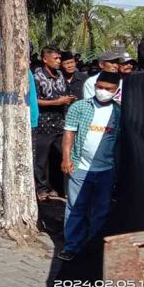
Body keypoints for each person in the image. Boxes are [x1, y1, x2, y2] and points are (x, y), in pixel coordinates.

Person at [58, 72, 122, 261]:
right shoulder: (79, 107)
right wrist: (66, 158)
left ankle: (93, 248)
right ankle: (71, 246)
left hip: (106, 170)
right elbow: (69, 134)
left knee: (100, 211)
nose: (103, 91)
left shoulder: (119, 113)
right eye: (99, 87)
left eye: (108, 89)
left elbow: (120, 142)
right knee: (75, 208)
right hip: (79, 167)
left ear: (116, 91)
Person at [33, 46, 74, 201]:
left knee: (63, 156)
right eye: (56, 58)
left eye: (59, 58)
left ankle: (59, 188)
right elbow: (35, 101)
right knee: (41, 160)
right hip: (43, 124)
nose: (59, 61)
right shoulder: (37, 76)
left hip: (61, 123)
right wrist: (58, 102)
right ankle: (42, 189)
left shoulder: (60, 75)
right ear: (45, 59)